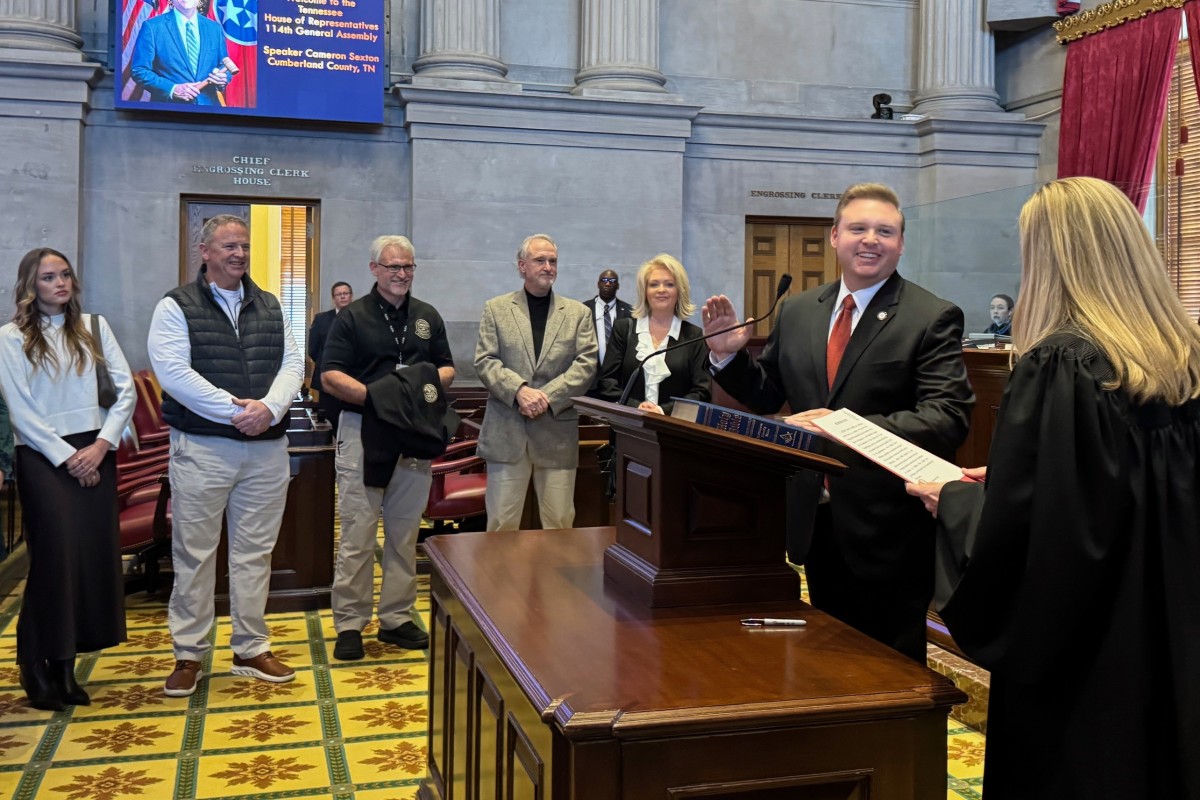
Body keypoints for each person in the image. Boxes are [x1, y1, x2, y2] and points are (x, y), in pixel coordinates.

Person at [906, 177, 1200, 799]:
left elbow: (1052, 542)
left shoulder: (1061, 362)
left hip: (1090, 660)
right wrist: (1017, 479)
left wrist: (955, 500)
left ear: (1055, 257)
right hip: (1171, 630)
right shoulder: (1183, 360)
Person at [701, 182, 974, 662]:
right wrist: (728, 359)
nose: (870, 239)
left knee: (890, 667)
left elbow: (946, 417)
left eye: (885, 231)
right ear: (834, 237)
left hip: (889, 527)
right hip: (818, 517)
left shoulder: (931, 316)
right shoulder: (801, 310)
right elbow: (771, 394)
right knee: (829, 660)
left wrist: (845, 426)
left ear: (902, 243)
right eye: (859, 228)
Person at [148, 213, 305, 697]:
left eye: (243, 247)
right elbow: (173, 373)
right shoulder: (176, 306)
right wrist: (236, 412)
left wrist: (270, 408)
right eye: (228, 246)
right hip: (204, 449)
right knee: (194, 555)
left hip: (265, 451)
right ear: (206, 252)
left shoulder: (270, 304)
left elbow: (293, 362)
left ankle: (250, 648)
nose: (238, 254)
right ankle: (188, 654)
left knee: (254, 554)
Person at [0, 248, 136, 711]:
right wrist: (68, 457)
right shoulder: (11, 337)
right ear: (29, 286)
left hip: (97, 448)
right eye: (47, 277)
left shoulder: (94, 327)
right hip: (42, 456)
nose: (60, 284)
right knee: (54, 560)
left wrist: (100, 446)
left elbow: (125, 392)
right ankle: (36, 662)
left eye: (65, 276)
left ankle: (66, 664)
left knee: (88, 559)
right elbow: (22, 410)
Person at [320, 236, 454, 661]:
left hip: (413, 435)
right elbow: (329, 375)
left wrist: (421, 388)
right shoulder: (352, 317)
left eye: (408, 267)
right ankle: (350, 623)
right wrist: (379, 399)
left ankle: (396, 617)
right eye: (393, 267)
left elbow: (447, 366)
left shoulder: (427, 316)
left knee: (403, 533)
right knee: (358, 533)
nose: (401, 274)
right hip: (363, 429)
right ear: (374, 269)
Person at [474, 234, 597, 531]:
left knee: (559, 524)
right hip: (507, 432)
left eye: (552, 261)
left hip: (556, 432)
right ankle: (500, 580)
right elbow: (485, 360)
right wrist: (520, 391)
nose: (548, 267)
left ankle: (554, 581)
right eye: (540, 260)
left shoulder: (578, 313)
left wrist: (545, 397)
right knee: (502, 525)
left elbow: (586, 364)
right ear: (522, 266)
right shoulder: (496, 308)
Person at [596, 253, 710, 415]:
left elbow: (702, 391)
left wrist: (662, 411)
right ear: (645, 291)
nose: (661, 290)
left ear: (680, 291)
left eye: (669, 284)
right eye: (654, 284)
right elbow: (607, 382)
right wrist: (636, 407)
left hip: (674, 429)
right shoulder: (623, 329)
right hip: (628, 425)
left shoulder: (694, 335)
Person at [129, 0, 231, 105]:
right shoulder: (152, 27)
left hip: (209, 109)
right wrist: (173, 89)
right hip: (169, 111)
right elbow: (139, 70)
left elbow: (224, 65)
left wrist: (223, 78)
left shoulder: (214, 28)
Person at [308, 281, 353, 434]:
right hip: (327, 378)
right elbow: (313, 349)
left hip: (352, 379)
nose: (342, 297)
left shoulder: (360, 319)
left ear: (351, 296)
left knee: (351, 423)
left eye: (345, 293)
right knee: (329, 420)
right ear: (334, 298)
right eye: (339, 294)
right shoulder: (322, 319)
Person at [584, 269, 632, 372]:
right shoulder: (584, 309)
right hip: (589, 378)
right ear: (598, 284)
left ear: (618, 286)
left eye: (612, 281)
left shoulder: (630, 312)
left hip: (618, 379)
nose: (608, 284)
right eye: (604, 280)